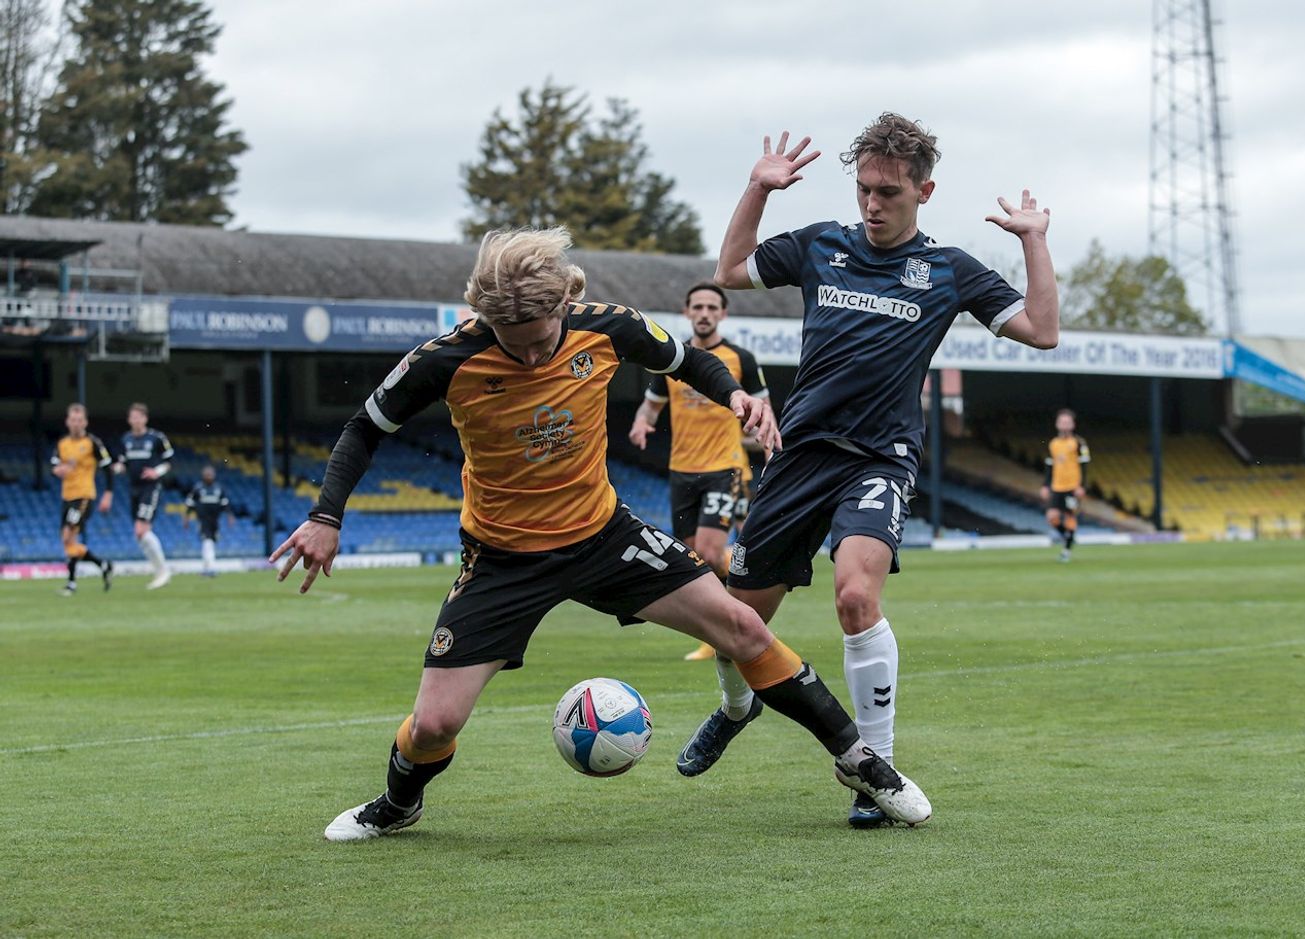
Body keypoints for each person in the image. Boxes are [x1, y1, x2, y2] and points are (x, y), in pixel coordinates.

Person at [270, 228, 932, 841]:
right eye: (512, 337)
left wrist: (732, 394)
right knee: (435, 723)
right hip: (501, 559)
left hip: (604, 536)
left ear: (567, 300)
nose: (530, 351)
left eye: (540, 335)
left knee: (745, 629)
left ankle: (860, 761)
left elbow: (686, 362)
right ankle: (398, 802)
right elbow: (363, 427)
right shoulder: (446, 358)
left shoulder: (609, 327)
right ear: (485, 316)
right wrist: (326, 516)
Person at [681, 114, 1061, 828]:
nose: (872, 203)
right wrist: (757, 190)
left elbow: (1042, 330)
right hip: (799, 458)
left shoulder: (949, 270)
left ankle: (872, 776)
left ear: (924, 190)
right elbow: (731, 271)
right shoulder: (822, 243)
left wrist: (1034, 241)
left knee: (856, 596)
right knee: (736, 623)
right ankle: (737, 705)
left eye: (888, 191)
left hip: (881, 456)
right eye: (864, 189)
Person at [628, 282, 770, 662]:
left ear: (722, 313)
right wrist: (642, 423)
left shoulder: (741, 358)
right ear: (687, 312)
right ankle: (750, 575)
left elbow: (763, 409)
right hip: (682, 471)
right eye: (698, 307)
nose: (705, 313)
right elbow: (650, 407)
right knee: (694, 558)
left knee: (708, 551)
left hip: (725, 467)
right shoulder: (672, 361)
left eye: (712, 306)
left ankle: (725, 630)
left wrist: (766, 438)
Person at [51, 403, 115, 594]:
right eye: (73, 420)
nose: (76, 423)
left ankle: (71, 584)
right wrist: (63, 469)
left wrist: (108, 493)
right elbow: (55, 468)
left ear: (85, 422)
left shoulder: (92, 443)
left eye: (80, 420)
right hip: (67, 496)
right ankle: (103, 565)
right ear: (67, 422)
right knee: (67, 540)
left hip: (84, 495)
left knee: (69, 536)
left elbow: (107, 467)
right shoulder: (62, 444)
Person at [113, 402, 174, 590]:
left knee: (141, 529)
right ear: (129, 420)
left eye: (139, 416)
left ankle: (163, 571)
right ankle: (159, 571)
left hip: (151, 487)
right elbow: (122, 462)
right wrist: (117, 468)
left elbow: (169, 461)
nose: (136, 420)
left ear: (145, 418)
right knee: (140, 534)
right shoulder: (126, 440)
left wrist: (157, 471)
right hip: (134, 489)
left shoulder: (156, 438)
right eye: (132, 417)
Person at [1041, 409, 1090, 562]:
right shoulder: (1053, 444)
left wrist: (1081, 486)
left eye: (1067, 422)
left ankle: (1066, 551)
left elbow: (1084, 466)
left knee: (1069, 516)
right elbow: (1049, 466)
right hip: (1057, 487)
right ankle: (1068, 538)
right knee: (1052, 517)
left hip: (1072, 487)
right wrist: (1045, 485)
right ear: (1057, 424)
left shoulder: (1079, 443)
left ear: (1073, 424)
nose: (1064, 425)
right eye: (1062, 422)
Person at [184, 465, 235, 576]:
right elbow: (189, 504)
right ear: (203, 476)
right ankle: (211, 567)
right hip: (202, 520)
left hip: (215, 520)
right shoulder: (198, 488)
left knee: (210, 542)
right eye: (207, 474)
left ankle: (206, 567)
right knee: (207, 541)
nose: (209, 476)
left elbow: (225, 504)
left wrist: (230, 516)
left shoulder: (218, 488)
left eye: (211, 474)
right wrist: (186, 518)